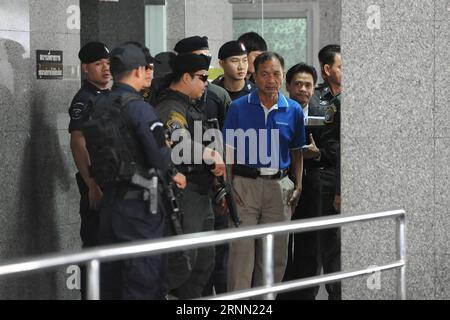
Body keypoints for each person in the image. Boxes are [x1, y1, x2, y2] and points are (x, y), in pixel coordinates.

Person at [97, 43, 186, 300]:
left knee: (112, 283)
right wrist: (172, 168)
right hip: (140, 209)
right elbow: (159, 157)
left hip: (110, 202)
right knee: (143, 282)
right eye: (146, 68)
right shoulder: (139, 108)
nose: (150, 73)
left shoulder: (101, 104)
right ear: (137, 71)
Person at [223, 52, 305, 294]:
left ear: (283, 76)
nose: (271, 79)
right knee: (241, 255)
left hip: (279, 188)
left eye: (276, 73)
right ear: (255, 76)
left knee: (274, 256)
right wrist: (228, 186)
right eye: (265, 74)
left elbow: (297, 151)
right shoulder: (238, 107)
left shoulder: (294, 110)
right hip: (244, 186)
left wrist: (298, 184)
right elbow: (228, 150)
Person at [155, 52, 226, 299]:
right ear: (186, 77)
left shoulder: (189, 106)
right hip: (185, 194)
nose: (206, 83)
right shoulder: (171, 107)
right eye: (202, 77)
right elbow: (178, 142)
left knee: (203, 263)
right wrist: (210, 155)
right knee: (184, 265)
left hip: (200, 193)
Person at [278, 62, 325, 300]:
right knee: (282, 243)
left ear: (314, 88)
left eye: (308, 85)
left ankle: (306, 295)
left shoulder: (326, 113)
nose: (303, 89)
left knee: (310, 244)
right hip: (282, 184)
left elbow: (334, 149)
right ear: (288, 86)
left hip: (314, 185)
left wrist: (317, 153)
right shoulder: (278, 109)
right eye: (297, 84)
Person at [68, 41, 110, 299]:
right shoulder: (84, 100)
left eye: (108, 63)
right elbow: (77, 143)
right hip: (97, 183)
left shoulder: (110, 95)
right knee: (95, 246)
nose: (106, 69)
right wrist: (91, 183)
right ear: (86, 68)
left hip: (113, 181)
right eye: (98, 64)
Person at [316, 44, 342, 300]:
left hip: (347, 175)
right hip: (325, 176)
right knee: (330, 243)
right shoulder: (318, 98)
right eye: (340, 66)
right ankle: (335, 292)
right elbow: (327, 139)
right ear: (327, 69)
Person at [173, 35, 231, 128]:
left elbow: (230, 130)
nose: (205, 62)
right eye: (200, 57)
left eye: (208, 57)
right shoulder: (169, 96)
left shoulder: (218, 94)